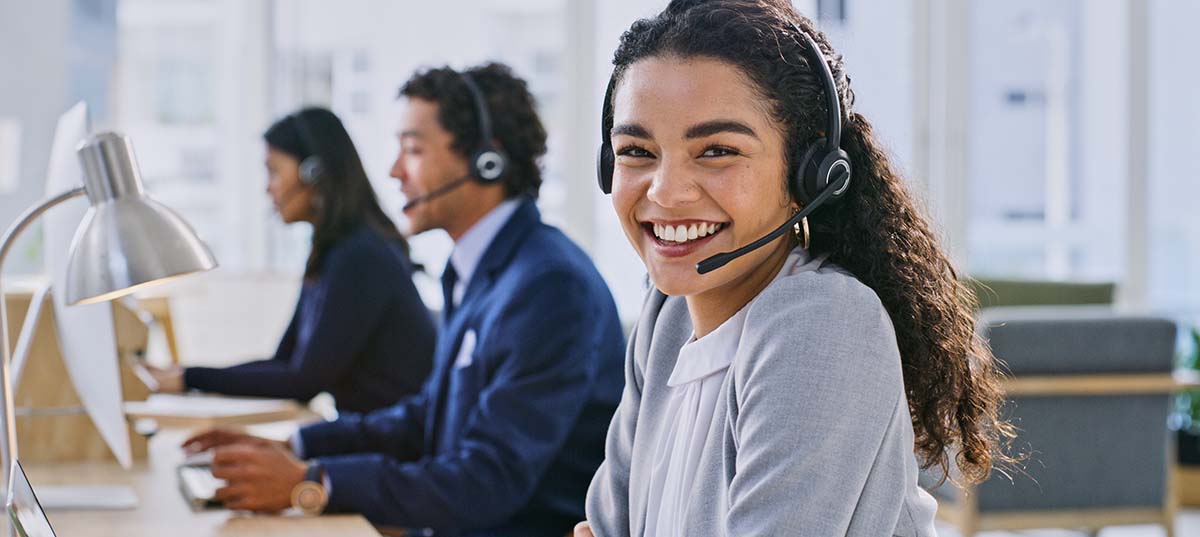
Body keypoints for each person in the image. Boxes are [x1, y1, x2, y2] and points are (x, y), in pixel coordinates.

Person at [579, 1, 1015, 535]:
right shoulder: (666, 315)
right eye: (636, 151)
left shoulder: (823, 322)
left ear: (809, 175)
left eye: (716, 150)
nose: (666, 192)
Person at [182, 63, 626, 536]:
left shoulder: (548, 287)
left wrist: (314, 484)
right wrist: (297, 445)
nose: (394, 172)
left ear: (486, 161)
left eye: (412, 149)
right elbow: (425, 419)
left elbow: (486, 482)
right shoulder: (478, 269)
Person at [145, 107, 436, 415]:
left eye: (274, 171)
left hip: (388, 447)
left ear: (314, 173)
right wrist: (185, 374)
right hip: (363, 437)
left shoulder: (360, 256)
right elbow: (284, 361)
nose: (268, 187)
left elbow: (304, 382)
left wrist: (189, 379)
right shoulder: (331, 251)